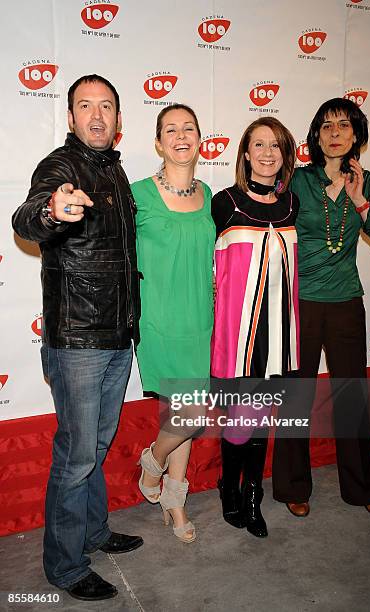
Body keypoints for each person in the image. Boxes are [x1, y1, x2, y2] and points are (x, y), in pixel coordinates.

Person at [12, 75, 143, 601]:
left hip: (116, 337)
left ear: (118, 116)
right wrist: (50, 211)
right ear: (70, 117)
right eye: (85, 106)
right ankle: (65, 567)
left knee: (95, 446)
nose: (96, 115)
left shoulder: (115, 169)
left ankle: (92, 533)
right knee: (76, 455)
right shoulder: (60, 167)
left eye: (106, 106)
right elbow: (28, 217)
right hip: (77, 342)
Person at [272, 97, 370, 517]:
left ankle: (363, 488)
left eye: (344, 125)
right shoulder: (297, 180)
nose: (335, 133)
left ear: (356, 134)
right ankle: (292, 486)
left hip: (346, 301)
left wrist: (361, 200)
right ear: (316, 135)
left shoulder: (367, 180)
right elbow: (270, 219)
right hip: (300, 301)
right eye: (326, 127)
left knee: (351, 397)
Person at [211, 117, 300, 537]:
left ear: (285, 156)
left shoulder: (292, 205)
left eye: (276, 147)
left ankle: (251, 495)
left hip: (277, 332)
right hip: (238, 331)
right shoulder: (224, 203)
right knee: (241, 418)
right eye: (258, 145)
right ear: (245, 153)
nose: (267, 154)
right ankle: (231, 488)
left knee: (262, 418)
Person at [131, 104, 214, 543]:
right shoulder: (137, 194)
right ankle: (153, 464)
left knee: (183, 411)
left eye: (189, 129)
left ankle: (171, 493)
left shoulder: (211, 196)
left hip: (202, 318)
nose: (181, 136)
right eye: (171, 130)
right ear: (159, 143)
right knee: (187, 411)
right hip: (158, 318)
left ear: (200, 140)